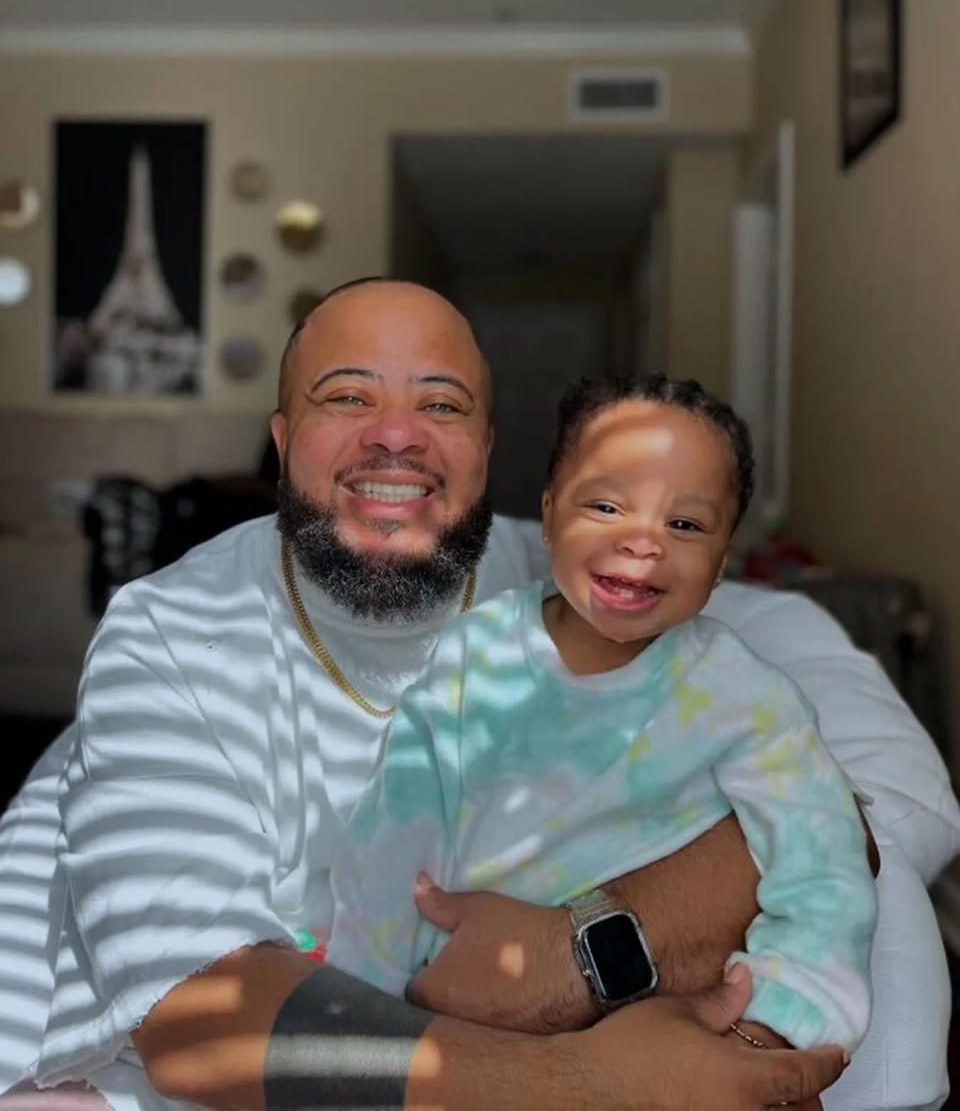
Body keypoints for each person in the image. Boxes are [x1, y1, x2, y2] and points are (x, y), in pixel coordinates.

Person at [0, 279, 955, 1111]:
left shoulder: (598, 571)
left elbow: (876, 799)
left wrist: (578, 952)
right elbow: (203, 1019)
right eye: (347, 395)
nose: (397, 435)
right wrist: (594, 1085)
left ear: (491, 453)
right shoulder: (173, 631)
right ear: (282, 439)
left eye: (443, 405)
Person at [326, 375, 877, 1053]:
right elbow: (393, 831)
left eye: (685, 524)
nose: (644, 542)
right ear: (551, 512)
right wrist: (362, 1004)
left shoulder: (743, 698)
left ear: (722, 559)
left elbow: (825, 867)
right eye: (608, 506)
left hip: (648, 1035)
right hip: (461, 1014)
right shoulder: (479, 656)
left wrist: (780, 1019)